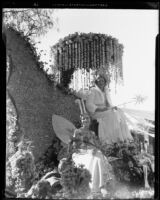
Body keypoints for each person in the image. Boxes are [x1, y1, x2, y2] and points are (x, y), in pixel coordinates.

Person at [72, 113, 114, 197]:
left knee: (99, 156)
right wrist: (85, 150)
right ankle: (101, 187)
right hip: (81, 153)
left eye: (87, 118)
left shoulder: (92, 133)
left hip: (93, 152)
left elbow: (96, 145)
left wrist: (95, 148)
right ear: (81, 121)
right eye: (84, 119)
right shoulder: (77, 131)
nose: (86, 120)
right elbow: (74, 146)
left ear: (90, 120)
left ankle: (102, 186)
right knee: (96, 157)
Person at [85, 73, 133, 145]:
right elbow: (89, 104)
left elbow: (108, 105)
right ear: (96, 82)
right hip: (96, 113)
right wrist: (100, 109)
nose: (101, 82)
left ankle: (121, 138)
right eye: (99, 81)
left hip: (105, 111)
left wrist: (113, 107)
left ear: (105, 83)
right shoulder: (93, 90)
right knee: (112, 114)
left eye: (102, 81)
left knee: (119, 112)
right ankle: (110, 140)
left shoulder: (105, 92)